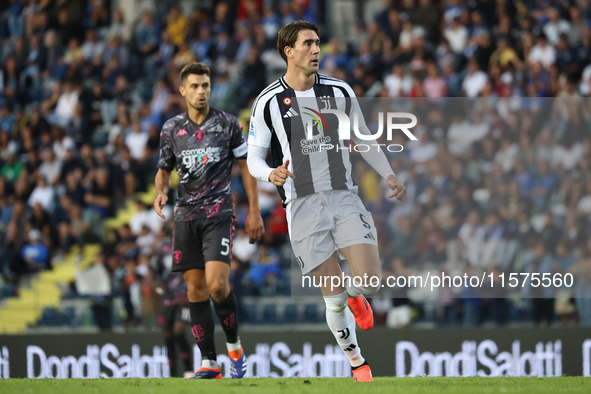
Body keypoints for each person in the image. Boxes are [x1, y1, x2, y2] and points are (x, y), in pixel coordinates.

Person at [246, 21, 407, 382]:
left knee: (369, 281)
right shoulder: (268, 102)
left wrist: (389, 174)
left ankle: (356, 295)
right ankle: (357, 363)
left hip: (343, 197)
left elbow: (363, 138)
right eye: (308, 44)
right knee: (330, 297)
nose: (316, 50)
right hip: (301, 206)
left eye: (318, 43)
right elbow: (253, 157)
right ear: (289, 51)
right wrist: (268, 173)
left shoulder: (340, 91)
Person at [154, 62, 265, 379]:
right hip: (185, 217)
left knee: (217, 285)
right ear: (183, 90)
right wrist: (161, 192)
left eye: (205, 85)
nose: (201, 91)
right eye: (195, 86)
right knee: (194, 290)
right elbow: (163, 169)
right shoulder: (171, 130)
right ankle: (209, 363)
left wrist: (253, 210)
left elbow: (246, 167)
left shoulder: (228, 124)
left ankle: (234, 346)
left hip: (219, 214)